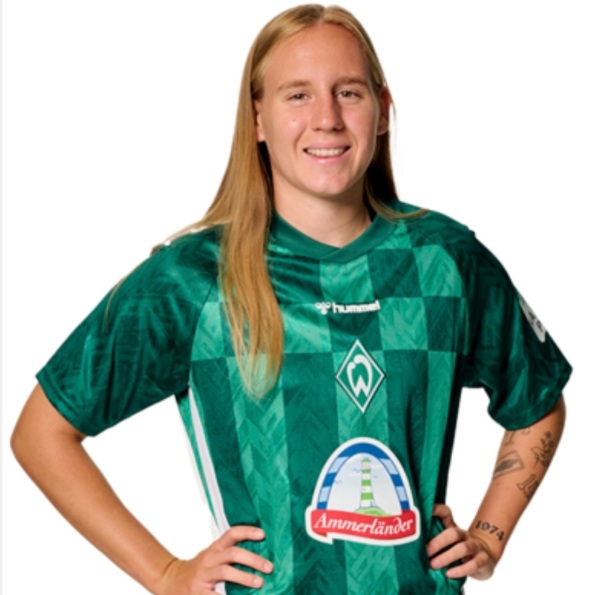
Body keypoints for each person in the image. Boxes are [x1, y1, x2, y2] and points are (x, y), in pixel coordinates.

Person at [11, 4, 571, 594]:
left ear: (383, 110)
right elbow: (42, 434)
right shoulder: (195, 279)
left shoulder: (444, 260)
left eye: (348, 92)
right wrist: (166, 573)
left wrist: (488, 536)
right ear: (257, 119)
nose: (326, 118)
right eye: (297, 95)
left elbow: (537, 402)